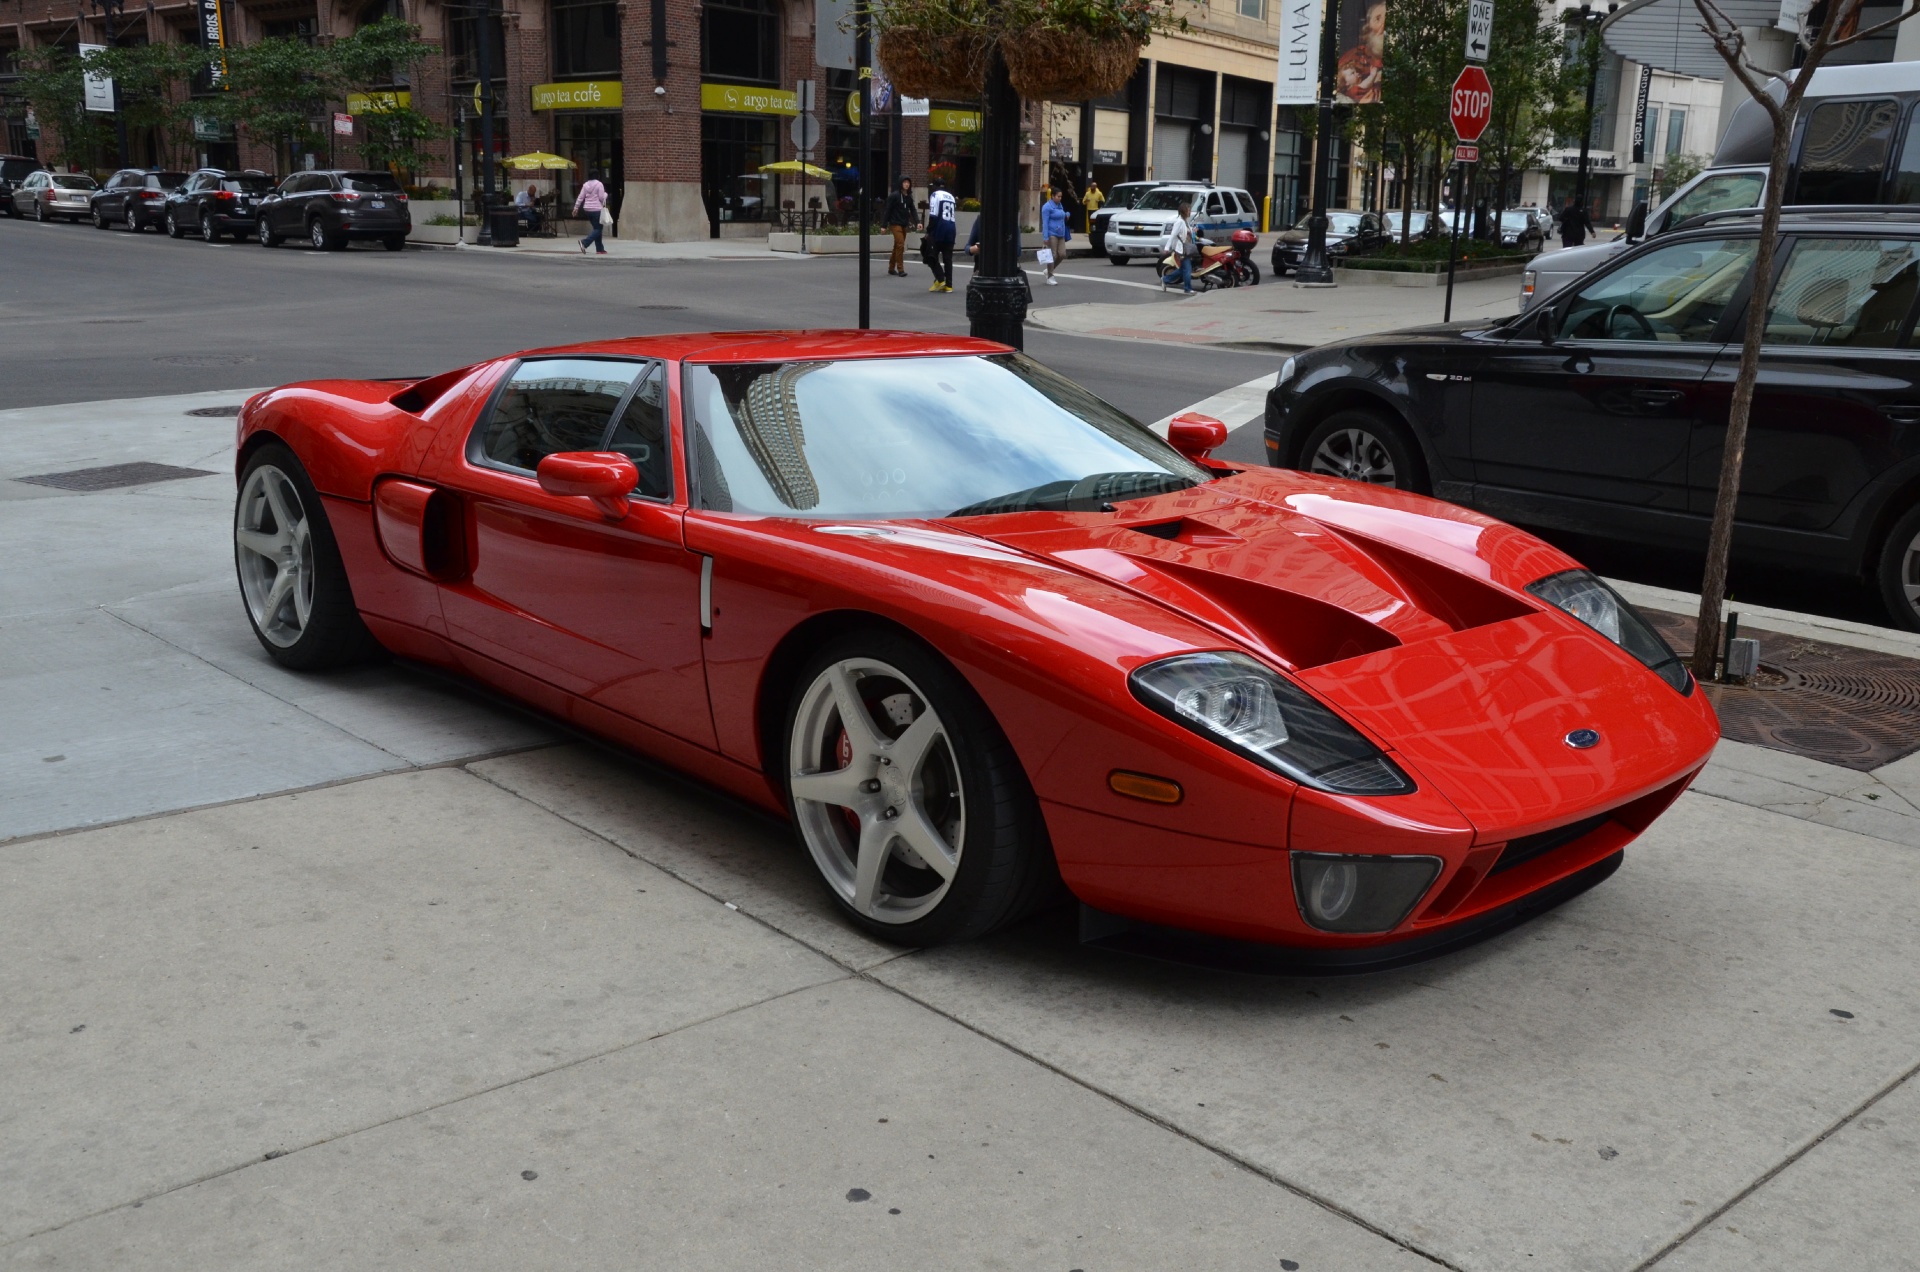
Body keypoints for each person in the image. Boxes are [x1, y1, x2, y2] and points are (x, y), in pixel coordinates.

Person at [926, 179, 957, 292]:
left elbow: (933, 215)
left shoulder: (935, 195)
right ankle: (949, 285)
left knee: (930, 254)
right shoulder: (951, 196)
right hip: (951, 228)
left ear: (935, 186)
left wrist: (929, 231)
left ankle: (940, 279)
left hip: (940, 228)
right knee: (948, 258)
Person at [883, 177, 917, 277]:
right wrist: (883, 225)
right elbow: (887, 210)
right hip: (894, 224)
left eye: (908, 183)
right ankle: (900, 269)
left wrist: (918, 222)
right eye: (905, 182)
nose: (907, 184)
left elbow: (913, 210)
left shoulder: (909, 197)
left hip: (903, 224)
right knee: (900, 245)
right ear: (901, 184)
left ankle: (891, 268)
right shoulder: (894, 196)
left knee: (897, 246)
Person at [1040, 188, 1071, 285]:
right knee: (1053, 255)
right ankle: (1050, 276)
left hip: (1061, 233)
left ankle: (1049, 270)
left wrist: (1066, 214)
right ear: (1052, 196)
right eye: (1058, 196)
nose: (1060, 198)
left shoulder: (1059, 205)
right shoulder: (1047, 207)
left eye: (1061, 196)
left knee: (1062, 254)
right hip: (1051, 233)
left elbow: (1061, 214)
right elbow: (1045, 223)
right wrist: (1045, 238)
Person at [575, 170, 609, 255]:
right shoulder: (599, 184)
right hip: (596, 209)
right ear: (597, 175)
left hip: (587, 209)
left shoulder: (585, 185)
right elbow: (601, 198)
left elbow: (580, 197)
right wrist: (606, 194)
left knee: (596, 228)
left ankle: (600, 249)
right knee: (598, 229)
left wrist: (576, 207)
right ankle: (585, 242)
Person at [1166, 200, 1195, 294]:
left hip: (1186, 248)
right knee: (1187, 269)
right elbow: (1173, 235)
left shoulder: (1185, 221)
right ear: (1184, 211)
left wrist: (1193, 230)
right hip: (1182, 249)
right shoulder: (1179, 222)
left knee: (1183, 269)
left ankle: (1165, 279)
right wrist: (1167, 247)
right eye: (1188, 210)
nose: (1190, 212)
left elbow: (1186, 233)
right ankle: (1187, 288)